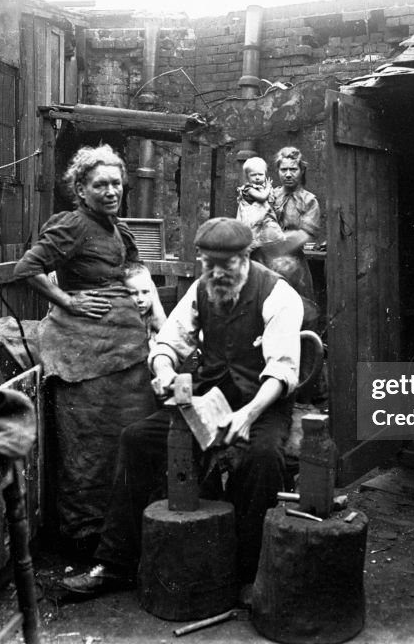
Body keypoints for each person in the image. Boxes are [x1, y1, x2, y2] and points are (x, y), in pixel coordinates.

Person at [59, 217, 303, 598]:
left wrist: (247, 416)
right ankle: (115, 563)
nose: (217, 273)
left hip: (262, 403)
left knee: (263, 458)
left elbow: (282, 371)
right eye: (209, 264)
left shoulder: (279, 295)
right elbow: (169, 342)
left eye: (228, 265)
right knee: (137, 439)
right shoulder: (200, 290)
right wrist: (163, 370)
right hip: (207, 399)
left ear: (248, 257)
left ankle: (246, 575)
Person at [13, 144, 156, 559]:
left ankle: (124, 526)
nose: (111, 192)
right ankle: (86, 534)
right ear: (81, 188)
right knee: (90, 442)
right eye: (100, 185)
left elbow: (132, 269)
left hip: (126, 349)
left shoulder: (119, 228)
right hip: (85, 352)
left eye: (116, 184)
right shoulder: (72, 226)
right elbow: (27, 269)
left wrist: (149, 307)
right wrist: (69, 301)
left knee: (126, 438)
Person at [270, 146, 322, 301]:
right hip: (269, 267)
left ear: (302, 171)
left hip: (296, 267)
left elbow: (304, 236)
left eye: (293, 169)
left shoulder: (309, 201)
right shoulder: (270, 196)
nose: (287, 174)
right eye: (283, 169)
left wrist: (271, 245)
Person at [235, 156, 285, 255]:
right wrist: (268, 187)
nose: (257, 177)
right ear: (247, 177)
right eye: (253, 175)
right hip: (252, 220)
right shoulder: (248, 189)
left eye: (260, 174)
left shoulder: (262, 188)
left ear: (265, 175)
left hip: (263, 219)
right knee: (251, 240)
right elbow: (262, 197)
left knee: (270, 236)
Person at [123, 261, 166, 350]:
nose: (141, 299)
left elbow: (164, 329)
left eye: (145, 292)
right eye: (134, 293)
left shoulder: (153, 318)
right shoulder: (124, 318)